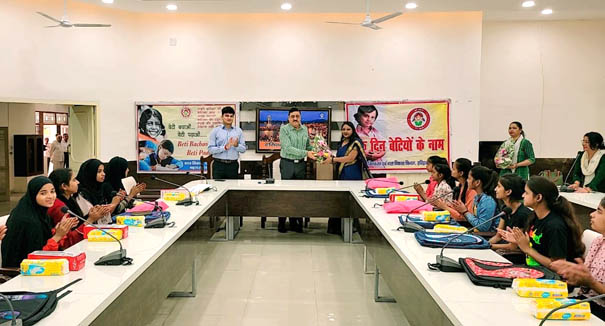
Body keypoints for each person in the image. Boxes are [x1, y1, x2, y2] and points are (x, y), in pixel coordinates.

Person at [499, 176, 585, 267]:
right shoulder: (534, 217)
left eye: (527, 193)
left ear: (538, 197)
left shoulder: (555, 226)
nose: (523, 195)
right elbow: (537, 247)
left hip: (551, 278)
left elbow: (559, 265)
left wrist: (527, 249)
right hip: (532, 269)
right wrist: (518, 240)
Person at [1, 176, 78, 268]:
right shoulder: (28, 220)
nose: (50, 196)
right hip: (20, 273)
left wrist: (56, 231)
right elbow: (36, 259)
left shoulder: (41, 213)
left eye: (52, 191)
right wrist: (58, 236)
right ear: (33, 195)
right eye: (43, 193)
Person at [551, 197, 605, 321]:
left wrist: (590, 282)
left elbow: (591, 282)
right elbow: (586, 280)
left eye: (599, 211)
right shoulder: (599, 241)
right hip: (586, 303)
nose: (592, 214)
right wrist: (575, 276)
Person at [323, 121, 371, 234]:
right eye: (343, 129)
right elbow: (341, 157)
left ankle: (352, 229)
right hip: (342, 173)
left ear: (353, 130)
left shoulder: (356, 142)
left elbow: (350, 158)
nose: (345, 131)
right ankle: (337, 228)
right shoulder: (342, 142)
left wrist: (333, 160)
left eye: (348, 129)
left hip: (352, 174)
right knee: (340, 200)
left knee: (350, 202)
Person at [47, 168, 108, 248]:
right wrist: (90, 220)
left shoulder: (70, 199)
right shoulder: (60, 208)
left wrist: (91, 214)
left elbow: (78, 223)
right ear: (64, 186)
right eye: (74, 180)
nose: (78, 182)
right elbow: (70, 240)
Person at [278, 108, 317, 233]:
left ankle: (296, 223)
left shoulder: (305, 129)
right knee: (285, 195)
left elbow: (307, 146)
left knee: (299, 195)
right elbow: (288, 148)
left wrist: (317, 150)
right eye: (293, 116)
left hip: (301, 165)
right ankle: (282, 222)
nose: (295, 118)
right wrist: (307, 152)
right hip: (287, 164)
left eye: (297, 116)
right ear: (288, 118)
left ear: (300, 117)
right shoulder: (284, 130)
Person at [489, 174, 532, 249]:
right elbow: (498, 236)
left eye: (499, 186)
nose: (495, 189)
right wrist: (484, 244)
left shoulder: (522, 214)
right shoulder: (506, 209)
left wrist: (489, 246)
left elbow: (513, 246)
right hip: (501, 247)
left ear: (508, 192)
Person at [76, 159, 125, 224]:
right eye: (99, 171)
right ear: (90, 173)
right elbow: (96, 219)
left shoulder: (99, 188)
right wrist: (113, 204)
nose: (103, 174)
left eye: (103, 171)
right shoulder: (82, 193)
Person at [451, 166, 499, 232]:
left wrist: (465, 212)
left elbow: (483, 227)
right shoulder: (478, 196)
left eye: (469, 178)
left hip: (487, 236)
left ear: (477, 182)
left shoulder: (487, 200)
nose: (467, 181)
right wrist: (461, 210)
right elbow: (475, 219)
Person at [208, 106, 247, 179]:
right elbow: (210, 149)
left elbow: (243, 149)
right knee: (218, 187)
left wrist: (236, 145)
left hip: (233, 165)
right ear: (222, 117)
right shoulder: (215, 131)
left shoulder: (238, 131)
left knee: (232, 188)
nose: (229, 118)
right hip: (218, 165)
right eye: (226, 116)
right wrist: (225, 147)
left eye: (231, 116)